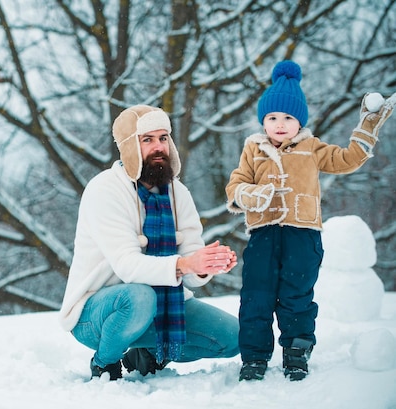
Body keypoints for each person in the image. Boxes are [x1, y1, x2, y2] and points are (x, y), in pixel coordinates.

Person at [225, 60, 394, 381]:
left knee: (297, 295)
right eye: (272, 117)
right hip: (263, 234)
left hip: (303, 234)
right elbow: (235, 185)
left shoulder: (311, 147)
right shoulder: (253, 147)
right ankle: (254, 357)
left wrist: (366, 130)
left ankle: (297, 351)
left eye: (288, 117)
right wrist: (251, 194)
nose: (279, 123)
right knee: (256, 295)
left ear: (299, 121)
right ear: (264, 120)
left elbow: (346, 159)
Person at [58, 104, 240, 381]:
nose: (159, 147)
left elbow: (191, 268)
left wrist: (205, 265)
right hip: (96, 313)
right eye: (148, 139)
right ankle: (105, 362)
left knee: (234, 337)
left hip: (163, 307)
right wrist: (185, 264)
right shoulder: (104, 189)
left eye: (163, 138)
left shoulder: (178, 194)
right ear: (130, 146)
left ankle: (148, 352)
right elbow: (127, 266)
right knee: (140, 296)